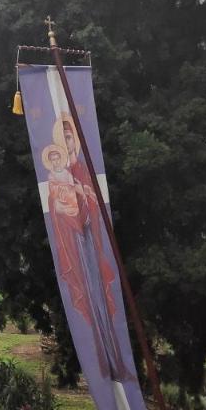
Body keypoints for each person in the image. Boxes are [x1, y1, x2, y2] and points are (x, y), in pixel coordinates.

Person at [43, 132, 134, 383]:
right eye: (63, 140)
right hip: (76, 246)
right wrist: (64, 204)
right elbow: (55, 207)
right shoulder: (55, 179)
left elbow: (93, 200)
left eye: (70, 138)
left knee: (103, 300)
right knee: (89, 304)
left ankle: (115, 361)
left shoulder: (83, 169)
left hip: (92, 240)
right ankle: (103, 364)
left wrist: (84, 196)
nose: (66, 144)